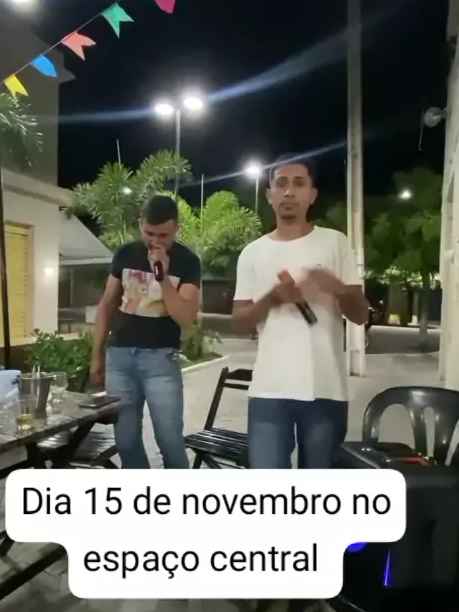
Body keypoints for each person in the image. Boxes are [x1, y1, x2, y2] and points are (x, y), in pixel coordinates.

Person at [233, 157, 369, 469]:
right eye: (281, 184)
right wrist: (272, 299)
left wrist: (338, 287)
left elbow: (360, 315)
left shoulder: (335, 243)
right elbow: (238, 322)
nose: (289, 192)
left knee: (318, 489)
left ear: (312, 194)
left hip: (326, 387)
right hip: (269, 390)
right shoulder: (252, 253)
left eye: (298, 183)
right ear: (269, 194)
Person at [90, 194, 201, 469]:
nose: (155, 241)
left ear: (176, 227)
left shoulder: (188, 261)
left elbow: (185, 317)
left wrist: (162, 276)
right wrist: (97, 355)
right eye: (149, 233)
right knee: (125, 440)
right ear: (141, 224)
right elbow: (106, 304)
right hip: (120, 358)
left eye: (163, 235)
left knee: (169, 440)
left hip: (160, 359)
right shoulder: (126, 254)